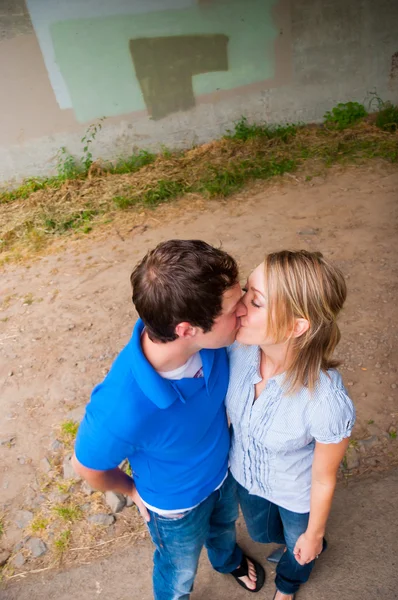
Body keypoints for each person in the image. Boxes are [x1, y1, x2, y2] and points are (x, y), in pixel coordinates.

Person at [72, 239, 265, 600]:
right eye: (234, 307)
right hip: (175, 507)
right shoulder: (119, 407)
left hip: (224, 473)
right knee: (179, 570)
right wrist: (130, 490)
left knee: (224, 528)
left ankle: (226, 560)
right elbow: (87, 467)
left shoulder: (215, 343)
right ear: (186, 329)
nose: (243, 311)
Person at [226, 250, 356, 600]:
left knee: (301, 548)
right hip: (246, 479)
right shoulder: (236, 352)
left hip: (296, 495)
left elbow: (323, 477)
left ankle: (288, 584)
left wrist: (314, 533)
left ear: (296, 326)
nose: (238, 307)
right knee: (263, 532)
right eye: (245, 293)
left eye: (255, 302)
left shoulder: (326, 401)